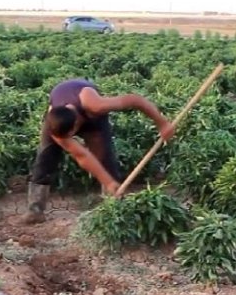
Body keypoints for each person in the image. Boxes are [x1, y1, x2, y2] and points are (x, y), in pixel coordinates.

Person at [22, 78, 176, 224]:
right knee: (45, 158)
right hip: (62, 108)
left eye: (71, 135)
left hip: (88, 109)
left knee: (104, 157)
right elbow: (81, 155)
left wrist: (162, 123)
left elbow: (135, 100)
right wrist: (107, 181)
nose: (72, 138)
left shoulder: (95, 106)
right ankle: (35, 209)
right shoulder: (55, 125)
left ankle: (113, 207)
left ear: (77, 125)